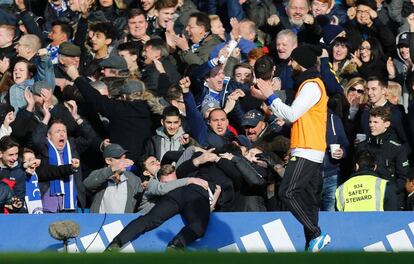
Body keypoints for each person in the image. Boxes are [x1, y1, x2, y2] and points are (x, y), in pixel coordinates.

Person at [254, 45, 330, 252]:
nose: (290, 64)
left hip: (307, 148)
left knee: (287, 192)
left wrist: (270, 95)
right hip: (310, 148)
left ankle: (316, 234)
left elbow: (292, 114)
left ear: (302, 62)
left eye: (293, 61)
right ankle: (311, 245)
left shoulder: (311, 85)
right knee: (308, 201)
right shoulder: (309, 84)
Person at [106, 152, 220, 251]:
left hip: (184, 198)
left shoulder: (178, 180)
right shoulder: (152, 183)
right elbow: (163, 189)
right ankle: (175, 246)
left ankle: (174, 247)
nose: (156, 163)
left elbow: (183, 164)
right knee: (197, 225)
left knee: (196, 224)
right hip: (182, 198)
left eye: (157, 160)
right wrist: (190, 180)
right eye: (152, 163)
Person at [356, 106, 409, 210]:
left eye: (376, 122)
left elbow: (403, 178)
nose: (371, 125)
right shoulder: (362, 147)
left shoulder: (396, 148)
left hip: (390, 201)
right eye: (370, 122)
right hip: (367, 200)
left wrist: (387, 192)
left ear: (386, 124)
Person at [83, 144, 142, 213]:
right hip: (100, 222)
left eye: (124, 157)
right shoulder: (100, 175)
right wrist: (112, 169)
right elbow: (87, 185)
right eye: (119, 158)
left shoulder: (134, 179)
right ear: (108, 161)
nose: (123, 161)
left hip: (124, 222)